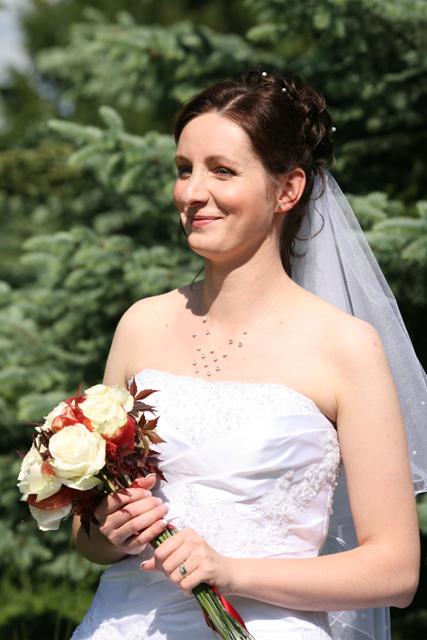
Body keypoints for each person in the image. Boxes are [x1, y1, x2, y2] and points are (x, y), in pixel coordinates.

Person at [71, 70, 426, 640]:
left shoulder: (346, 347)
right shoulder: (141, 324)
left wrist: (234, 572)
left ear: (287, 190)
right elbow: (88, 538)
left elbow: (396, 570)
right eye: (184, 169)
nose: (192, 192)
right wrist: (108, 530)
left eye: (222, 170)